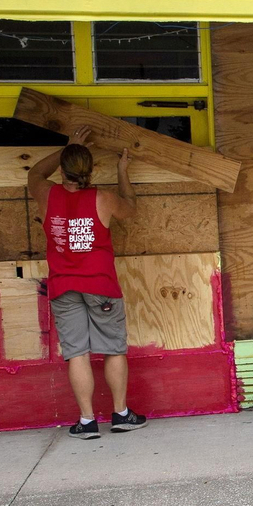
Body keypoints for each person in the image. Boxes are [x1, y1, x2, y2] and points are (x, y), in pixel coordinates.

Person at [27, 127, 147, 439]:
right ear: (91, 170)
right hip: (101, 286)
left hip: (63, 287)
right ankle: (121, 415)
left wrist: (69, 147)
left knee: (76, 352)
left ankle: (87, 421)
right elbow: (131, 208)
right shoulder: (104, 199)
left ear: (63, 169)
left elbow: (36, 172)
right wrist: (122, 171)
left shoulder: (46, 193)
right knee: (112, 349)